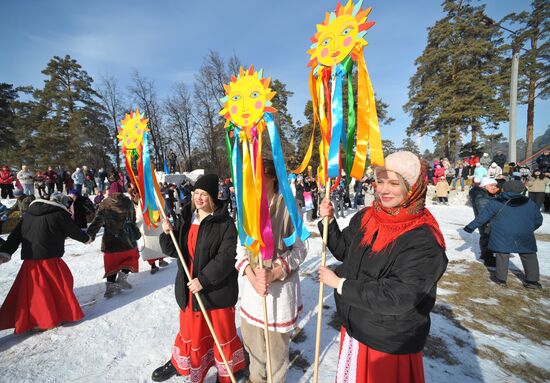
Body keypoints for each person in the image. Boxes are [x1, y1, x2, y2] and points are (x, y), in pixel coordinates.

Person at [318, 151, 448, 383]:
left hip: (387, 341)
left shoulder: (423, 239)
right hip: (357, 326)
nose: (384, 190)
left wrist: (340, 284)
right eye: (380, 181)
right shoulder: (368, 216)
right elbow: (345, 251)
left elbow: (397, 296)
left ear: (412, 188)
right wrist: (328, 222)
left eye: (394, 183)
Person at [153, 174, 246, 383]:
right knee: (190, 330)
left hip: (215, 290)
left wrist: (203, 280)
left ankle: (227, 372)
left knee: (220, 333)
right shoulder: (187, 217)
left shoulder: (225, 222)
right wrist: (167, 233)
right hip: (189, 287)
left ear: (213, 197)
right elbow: (174, 250)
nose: (199, 198)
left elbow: (226, 257)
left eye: (204, 194)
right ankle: (183, 362)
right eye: (196, 193)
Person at [235, 159, 307, 383]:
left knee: (276, 354)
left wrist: (275, 271)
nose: (253, 181)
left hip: (278, 295)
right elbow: (240, 249)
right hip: (252, 294)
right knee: (254, 348)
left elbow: (300, 249)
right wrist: (251, 274)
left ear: (272, 177)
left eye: (259, 175)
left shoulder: (289, 205)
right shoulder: (247, 205)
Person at [0, 193, 91, 333]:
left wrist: (5, 252)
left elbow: (15, 236)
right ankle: (46, 319)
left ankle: (40, 318)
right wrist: (87, 238)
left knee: (36, 292)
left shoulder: (28, 214)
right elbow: (75, 232)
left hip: (30, 261)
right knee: (57, 287)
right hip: (50, 259)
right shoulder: (60, 214)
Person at [464, 180, 543, 289]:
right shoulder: (530, 202)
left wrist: (470, 227)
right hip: (525, 233)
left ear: (504, 189)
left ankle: (501, 279)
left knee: (502, 254)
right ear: (521, 189)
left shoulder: (496, 201)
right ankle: (532, 281)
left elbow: (483, 217)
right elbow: (538, 219)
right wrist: (529, 228)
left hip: (502, 233)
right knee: (529, 255)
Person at [87, 192, 141, 298]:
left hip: (110, 241)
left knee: (112, 263)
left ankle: (110, 287)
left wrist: (90, 235)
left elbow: (97, 221)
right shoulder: (128, 202)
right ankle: (122, 279)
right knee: (131, 258)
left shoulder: (105, 204)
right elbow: (133, 219)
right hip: (128, 240)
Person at [469, 177, 499, 266]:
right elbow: (484, 211)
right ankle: (488, 259)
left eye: (495, 185)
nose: (494, 187)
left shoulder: (486, 194)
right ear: (484, 186)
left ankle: (485, 255)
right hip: (486, 220)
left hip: (485, 220)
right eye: (491, 185)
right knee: (487, 238)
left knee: (486, 237)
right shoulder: (481, 196)